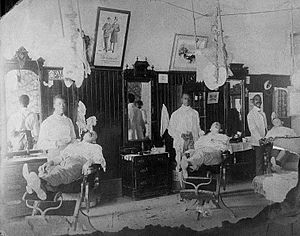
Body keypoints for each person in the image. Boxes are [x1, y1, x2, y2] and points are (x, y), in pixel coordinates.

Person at [23, 131, 106, 200]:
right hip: (65, 162)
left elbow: (99, 159)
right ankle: (39, 187)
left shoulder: (95, 147)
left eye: (92, 134)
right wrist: (50, 163)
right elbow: (60, 157)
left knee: (62, 171)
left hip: (79, 163)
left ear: (94, 140)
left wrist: (89, 162)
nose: (90, 132)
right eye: (88, 132)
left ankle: (35, 184)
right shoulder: (73, 145)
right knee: (49, 169)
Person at [168, 92, 204, 171]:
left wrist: (200, 134)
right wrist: (180, 135)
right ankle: (181, 180)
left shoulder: (194, 113)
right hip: (181, 140)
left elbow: (197, 127)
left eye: (188, 99)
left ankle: (191, 179)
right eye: (185, 99)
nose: (187, 101)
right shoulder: (176, 114)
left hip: (192, 140)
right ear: (181, 99)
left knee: (192, 160)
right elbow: (171, 129)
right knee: (180, 161)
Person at [37, 95, 76, 160]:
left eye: (64, 103)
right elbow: (40, 144)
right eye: (59, 104)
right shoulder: (47, 122)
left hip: (69, 155)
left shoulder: (68, 121)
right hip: (54, 155)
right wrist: (56, 143)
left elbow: (73, 138)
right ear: (54, 106)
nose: (62, 106)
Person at [247, 94, 268, 175]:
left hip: (265, 139)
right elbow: (253, 129)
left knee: (267, 161)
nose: (258, 101)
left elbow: (265, 127)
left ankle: (267, 181)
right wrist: (260, 138)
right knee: (259, 162)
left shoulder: (263, 113)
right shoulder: (251, 114)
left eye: (259, 99)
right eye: (256, 99)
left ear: (261, 102)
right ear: (253, 102)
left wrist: (268, 136)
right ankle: (259, 181)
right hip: (258, 141)